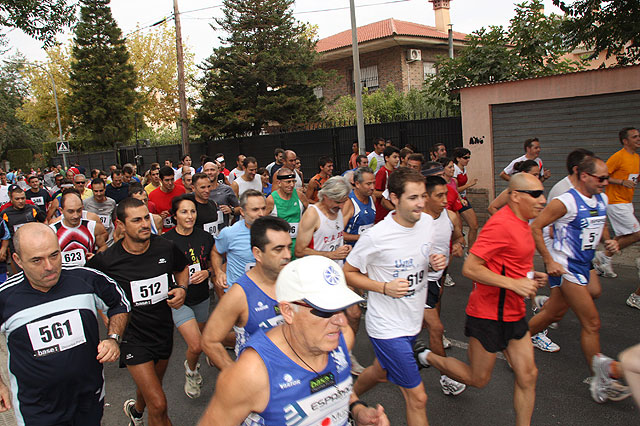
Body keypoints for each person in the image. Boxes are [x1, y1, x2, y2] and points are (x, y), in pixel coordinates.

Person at [415, 173, 547, 426]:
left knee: (528, 375)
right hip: (488, 314)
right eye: (536, 194)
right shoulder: (501, 225)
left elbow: (508, 264)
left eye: (542, 192)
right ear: (516, 196)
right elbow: (471, 268)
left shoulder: (524, 223)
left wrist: (529, 276)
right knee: (478, 379)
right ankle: (426, 356)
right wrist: (514, 283)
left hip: (514, 312)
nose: (542, 199)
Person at [198, 255, 389, 426]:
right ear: (288, 311)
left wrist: (357, 409)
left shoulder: (341, 338)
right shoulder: (252, 374)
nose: (341, 321)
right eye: (326, 311)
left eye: (341, 308)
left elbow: (338, 388)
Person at [344, 167, 447, 426]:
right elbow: (349, 272)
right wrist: (383, 287)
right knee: (418, 397)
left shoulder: (426, 223)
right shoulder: (377, 236)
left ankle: (347, 398)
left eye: (423, 196)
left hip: (412, 320)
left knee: (380, 371)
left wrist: (435, 262)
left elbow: (424, 259)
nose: (421, 203)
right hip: (387, 328)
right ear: (394, 198)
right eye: (413, 198)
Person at [0, 223, 129, 425]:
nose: (49, 266)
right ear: (18, 260)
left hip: (88, 398)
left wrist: (113, 339)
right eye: (36, 260)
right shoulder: (6, 297)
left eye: (54, 255)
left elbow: (119, 304)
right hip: (37, 408)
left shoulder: (86, 279)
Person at [528, 156, 630, 403]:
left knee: (553, 313)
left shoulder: (602, 198)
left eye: (607, 178)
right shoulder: (565, 201)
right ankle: (601, 379)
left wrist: (608, 241)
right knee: (592, 322)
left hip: (584, 265)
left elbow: (600, 221)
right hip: (566, 267)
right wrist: (549, 260)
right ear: (584, 176)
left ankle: (515, 339)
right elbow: (536, 227)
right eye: (601, 178)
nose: (606, 183)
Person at [87, 197, 189, 426]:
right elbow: (91, 291)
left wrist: (182, 289)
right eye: (136, 220)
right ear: (121, 225)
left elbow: (182, 268)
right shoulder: (107, 261)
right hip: (133, 338)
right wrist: (107, 318)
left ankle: (136, 410)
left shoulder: (164, 246)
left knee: (152, 390)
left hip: (163, 332)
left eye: (146, 218)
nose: (145, 224)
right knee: (159, 404)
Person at [201, 216, 290, 370]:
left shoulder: (294, 281)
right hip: (258, 383)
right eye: (278, 249)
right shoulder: (239, 294)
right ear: (257, 253)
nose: (288, 255)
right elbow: (209, 340)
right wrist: (235, 375)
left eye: (289, 247)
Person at [161, 195, 215, 399]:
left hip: (201, 297)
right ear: (174, 216)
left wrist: (208, 273)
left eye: (192, 211)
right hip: (179, 301)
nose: (190, 216)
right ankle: (191, 372)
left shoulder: (205, 237)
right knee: (196, 344)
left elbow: (216, 263)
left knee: (200, 342)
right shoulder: (165, 241)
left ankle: (191, 363)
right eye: (184, 212)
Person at [418, 175, 466, 396]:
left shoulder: (451, 216)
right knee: (436, 328)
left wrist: (457, 246)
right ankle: (446, 377)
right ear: (426, 197)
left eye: (446, 194)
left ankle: (396, 353)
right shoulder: (415, 221)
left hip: (437, 278)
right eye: (439, 195)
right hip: (418, 283)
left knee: (418, 326)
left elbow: (459, 238)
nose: (445, 199)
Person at [593, 128, 640, 307]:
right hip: (615, 201)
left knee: (622, 236)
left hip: (626, 201)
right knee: (637, 234)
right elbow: (602, 176)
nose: (638, 139)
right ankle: (603, 256)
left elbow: (633, 178)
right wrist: (621, 182)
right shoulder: (617, 157)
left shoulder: (636, 157)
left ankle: (603, 260)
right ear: (624, 141)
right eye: (634, 137)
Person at [212, 190, 266, 296]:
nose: (261, 214)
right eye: (255, 210)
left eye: (263, 208)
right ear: (242, 212)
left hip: (265, 293)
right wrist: (218, 272)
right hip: (238, 295)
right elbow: (216, 252)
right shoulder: (230, 233)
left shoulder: (274, 232)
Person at [295, 176, 351, 264]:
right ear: (326, 196)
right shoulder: (312, 215)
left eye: (344, 201)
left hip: (335, 271)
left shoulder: (336, 210)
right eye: (337, 202)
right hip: (318, 271)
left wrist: (344, 248)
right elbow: (299, 251)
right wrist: (331, 255)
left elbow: (334, 239)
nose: (341, 206)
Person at [50, 189, 108, 266]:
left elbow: (103, 246)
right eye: (71, 211)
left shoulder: (92, 226)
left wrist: (96, 257)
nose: (76, 215)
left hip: (86, 273)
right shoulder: (52, 230)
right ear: (61, 211)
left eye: (79, 210)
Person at [266, 168, 308, 258]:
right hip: (279, 247)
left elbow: (311, 214)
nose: (292, 185)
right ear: (279, 183)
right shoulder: (271, 199)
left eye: (293, 181)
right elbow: (262, 222)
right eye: (288, 182)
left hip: (298, 246)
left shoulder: (300, 196)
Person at [452, 147, 479, 249]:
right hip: (456, 200)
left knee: (474, 225)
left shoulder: (463, 169)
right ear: (458, 158)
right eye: (465, 157)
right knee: (458, 230)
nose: (468, 160)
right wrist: (469, 184)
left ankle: (470, 252)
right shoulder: (454, 170)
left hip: (463, 199)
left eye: (468, 157)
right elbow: (454, 189)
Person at [343, 167, 376, 246]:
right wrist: (362, 237)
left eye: (374, 183)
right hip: (351, 252)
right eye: (368, 184)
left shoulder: (372, 198)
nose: (372, 187)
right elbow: (339, 234)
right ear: (357, 184)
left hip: (368, 249)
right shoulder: (349, 202)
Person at [204, 161, 240, 230]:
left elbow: (240, 209)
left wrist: (231, 210)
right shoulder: (198, 192)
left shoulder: (226, 189)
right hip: (204, 233)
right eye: (206, 170)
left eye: (212, 170)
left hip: (222, 233)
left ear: (218, 172)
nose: (209, 172)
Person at [149, 165, 186, 233]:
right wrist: (159, 216)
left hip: (181, 229)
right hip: (163, 232)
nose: (170, 183)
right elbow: (151, 218)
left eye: (172, 179)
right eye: (167, 180)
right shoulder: (152, 195)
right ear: (160, 180)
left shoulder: (181, 190)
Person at [84, 178, 117, 245]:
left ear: (105, 189)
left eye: (101, 191)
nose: (98, 194)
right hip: (94, 242)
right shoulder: (86, 203)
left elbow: (114, 220)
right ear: (92, 190)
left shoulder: (112, 202)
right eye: (96, 191)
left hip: (109, 241)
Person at [190, 172, 222, 237]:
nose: (207, 190)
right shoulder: (190, 207)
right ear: (193, 188)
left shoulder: (213, 204)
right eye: (203, 187)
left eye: (209, 186)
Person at [373, 145, 400, 223]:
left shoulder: (396, 171)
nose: (397, 160)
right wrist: (387, 194)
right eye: (395, 157)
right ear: (387, 158)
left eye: (398, 157)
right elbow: (375, 193)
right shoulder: (382, 172)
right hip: (382, 213)